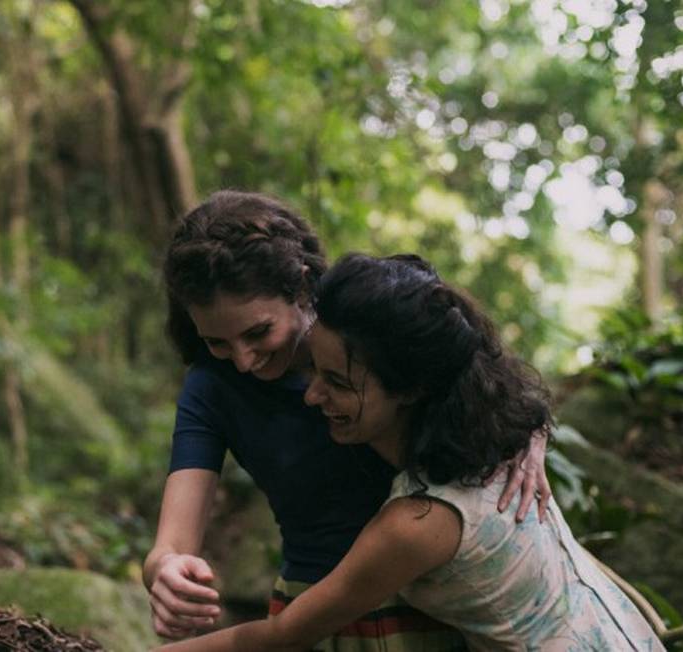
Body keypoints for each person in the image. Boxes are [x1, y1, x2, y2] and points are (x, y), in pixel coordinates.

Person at [156, 253, 663, 651]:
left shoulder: (420, 516)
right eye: (313, 372)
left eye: (333, 380)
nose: (309, 396)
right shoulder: (474, 444)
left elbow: (284, 636)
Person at [145, 191, 552, 651]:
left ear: (301, 286)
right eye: (218, 342)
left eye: (258, 332)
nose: (243, 360)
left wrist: (531, 435)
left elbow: (476, 379)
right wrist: (166, 569)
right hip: (308, 613)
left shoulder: (373, 336)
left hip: (426, 608)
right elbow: (172, 541)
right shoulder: (212, 387)